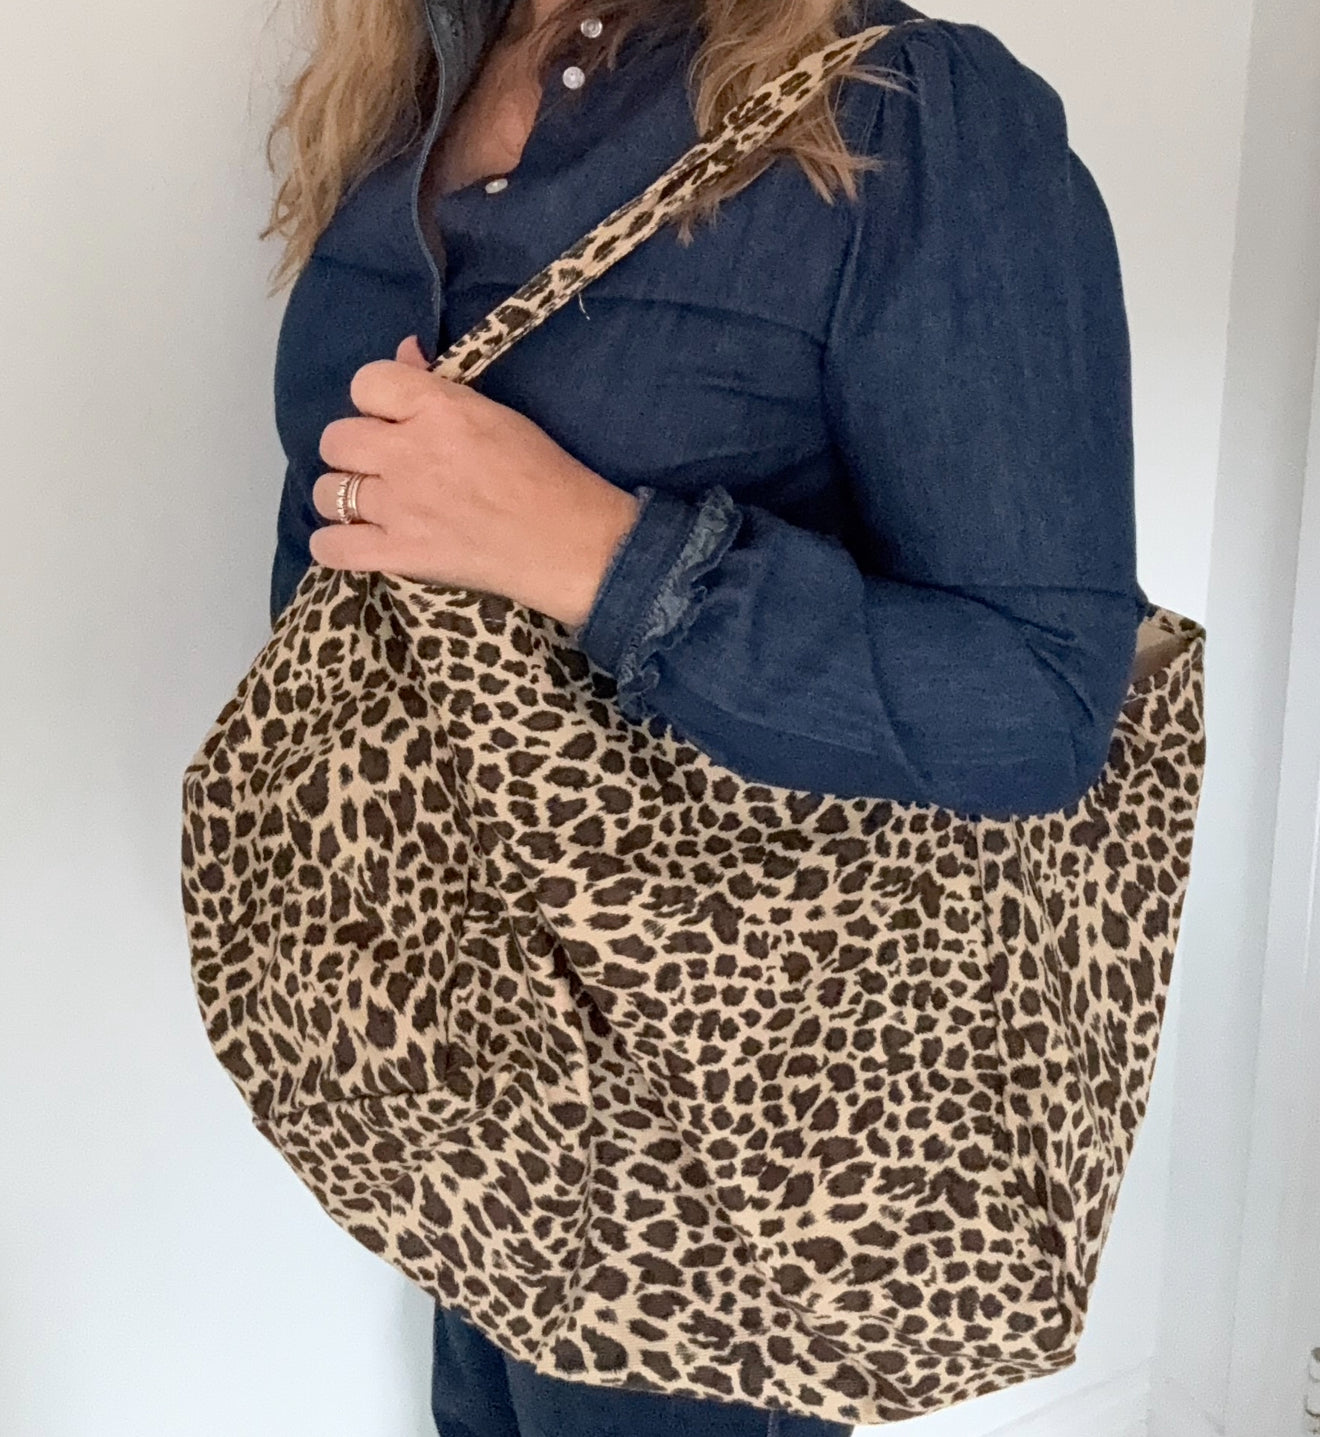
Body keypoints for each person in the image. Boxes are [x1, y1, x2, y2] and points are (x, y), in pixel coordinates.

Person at [259, 0, 1148, 1430]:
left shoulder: (905, 112)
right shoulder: (417, 70)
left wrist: (605, 557)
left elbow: (1040, 699)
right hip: (464, 1061)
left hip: (722, 1121)